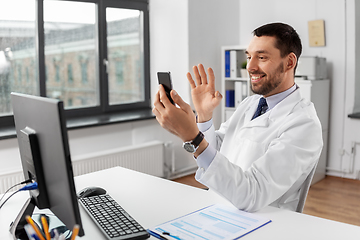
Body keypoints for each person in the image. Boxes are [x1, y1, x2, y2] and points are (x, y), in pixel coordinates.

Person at [152, 22, 323, 212]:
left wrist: (191, 137)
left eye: (262, 57)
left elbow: (253, 194)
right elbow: (216, 151)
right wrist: (204, 116)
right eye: (249, 57)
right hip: (218, 209)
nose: (250, 67)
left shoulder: (304, 124)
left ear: (290, 62)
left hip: (262, 225)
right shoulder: (250, 104)